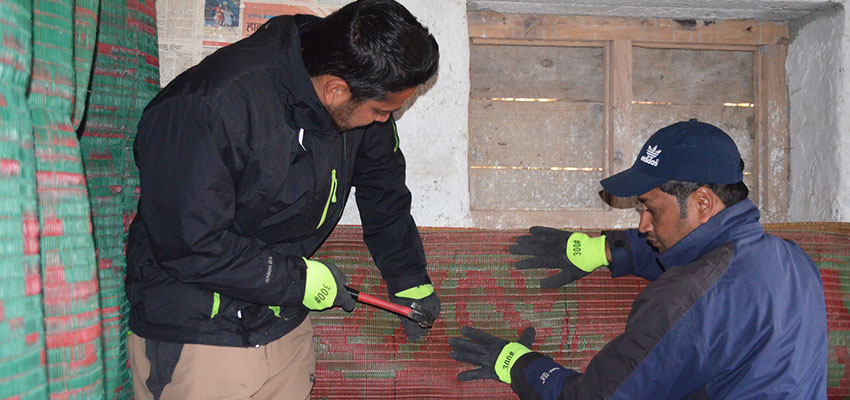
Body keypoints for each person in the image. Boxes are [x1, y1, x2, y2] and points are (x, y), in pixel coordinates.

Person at [125, 1, 440, 399]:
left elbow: (384, 184)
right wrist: (298, 280)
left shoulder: (356, 85)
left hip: (284, 323)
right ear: (336, 90)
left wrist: (408, 277)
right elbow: (189, 246)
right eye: (380, 111)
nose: (383, 121)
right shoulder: (206, 106)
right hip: (199, 332)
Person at [449, 119, 827, 399]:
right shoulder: (794, 261)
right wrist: (609, 251)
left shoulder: (682, 302)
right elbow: (713, 263)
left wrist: (522, 366)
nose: (643, 223)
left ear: (703, 201)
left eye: (650, 208)